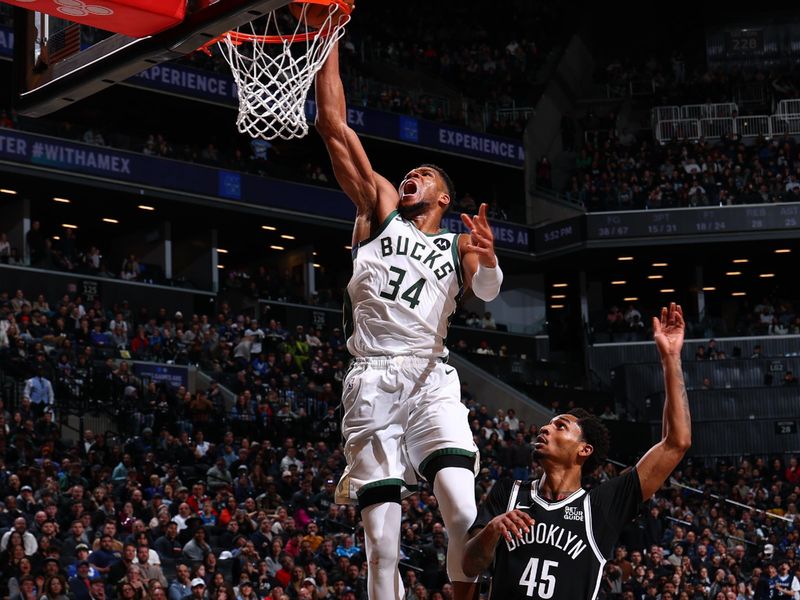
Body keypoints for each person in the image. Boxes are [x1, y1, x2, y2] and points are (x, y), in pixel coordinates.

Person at [315, 39, 504, 600]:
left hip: (429, 378)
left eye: (424, 173)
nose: (412, 175)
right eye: (411, 171)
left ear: (443, 197)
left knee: (462, 505)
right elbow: (331, 123)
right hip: (371, 377)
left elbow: (487, 291)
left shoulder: (459, 243)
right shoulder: (377, 208)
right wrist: (327, 40)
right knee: (381, 545)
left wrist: (490, 258)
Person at [462, 303, 691, 600]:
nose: (545, 428)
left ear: (584, 449)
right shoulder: (509, 492)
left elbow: (677, 443)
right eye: (547, 424)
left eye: (560, 426)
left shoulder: (601, 507)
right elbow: (469, 565)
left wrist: (670, 359)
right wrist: (491, 530)